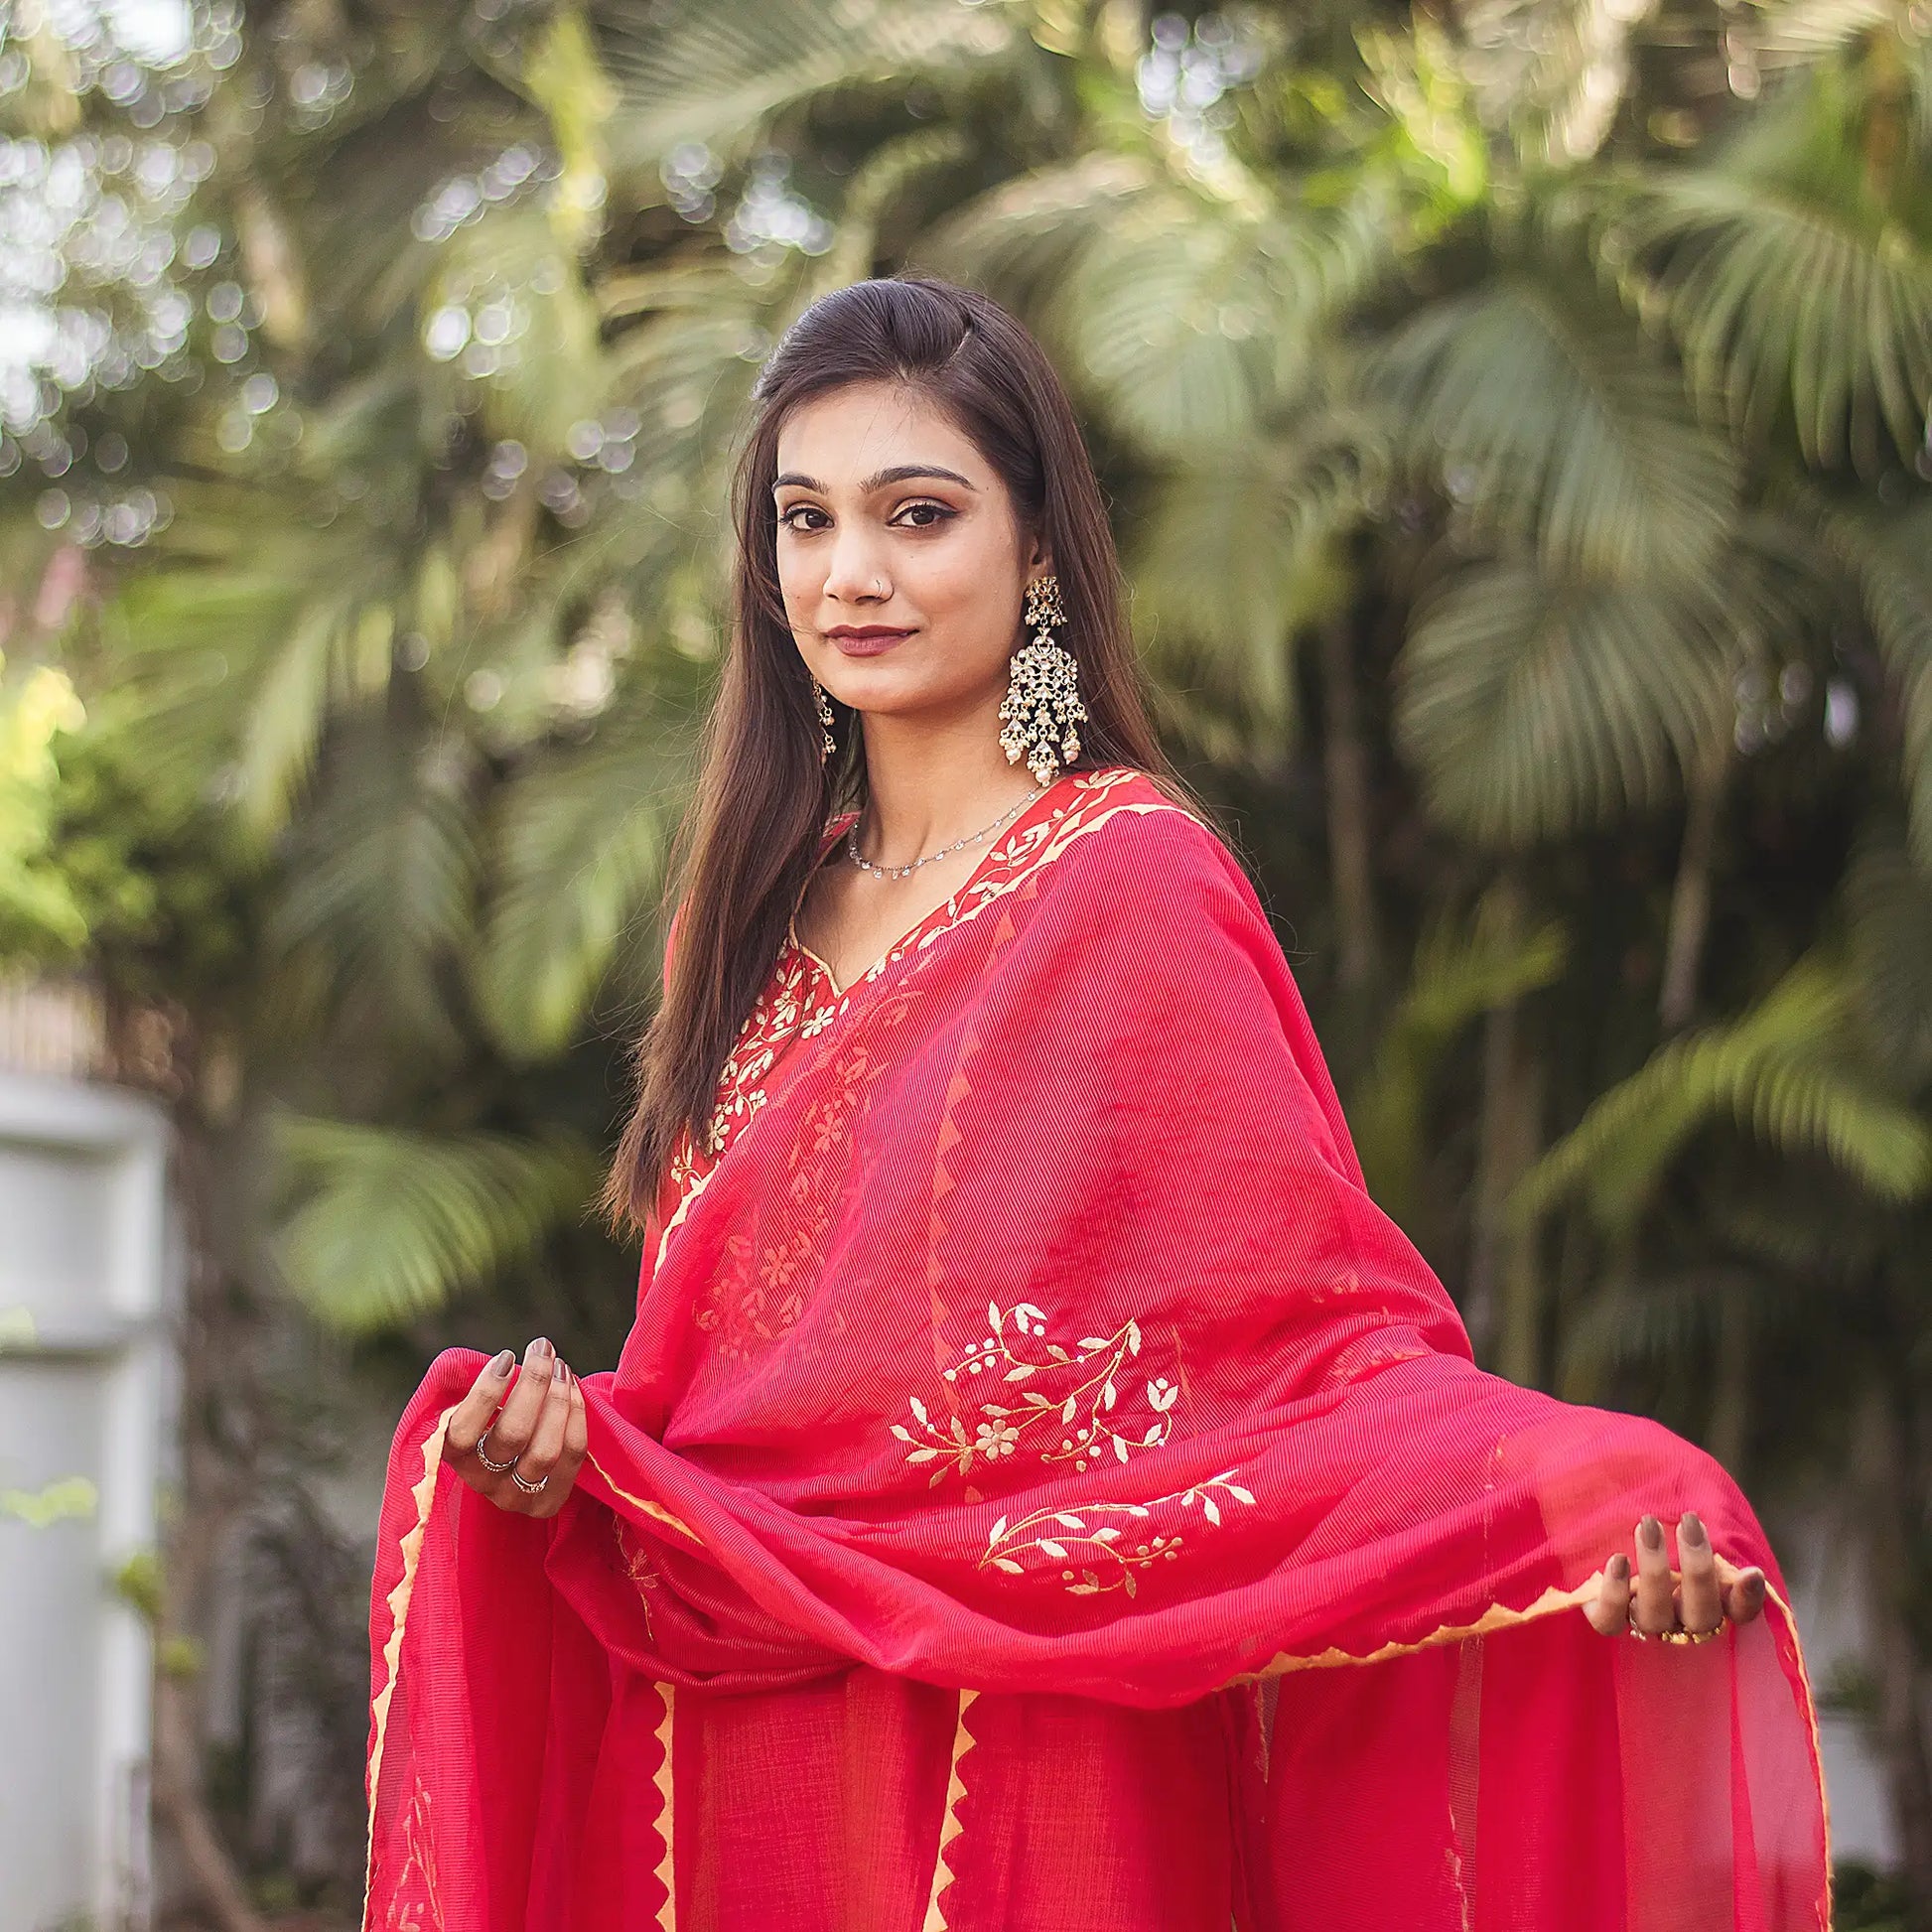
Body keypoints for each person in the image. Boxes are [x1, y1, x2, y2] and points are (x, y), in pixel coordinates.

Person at [362, 276, 1829, 1931]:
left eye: (916, 514)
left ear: (1040, 546)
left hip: (1037, 1745)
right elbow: (733, 1400)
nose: (850, 572)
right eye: (804, 518)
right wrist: (560, 1467)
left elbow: (1311, 1345)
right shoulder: (753, 924)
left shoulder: (1125, 878)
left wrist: (1582, 1513)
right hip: (738, 1745)